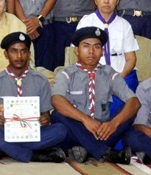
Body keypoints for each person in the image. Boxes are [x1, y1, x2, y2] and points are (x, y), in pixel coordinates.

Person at [0, 32, 68, 163]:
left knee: (60, 130)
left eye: (23, 51)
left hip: (32, 132)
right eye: (14, 51)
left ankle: (3, 149)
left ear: (29, 54)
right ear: (6, 54)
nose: (19, 56)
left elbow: (46, 114)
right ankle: (32, 155)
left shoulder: (41, 80)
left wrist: (45, 119)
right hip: (4, 131)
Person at [50, 27, 141, 163]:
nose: (91, 52)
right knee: (57, 116)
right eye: (86, 46)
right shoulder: (66, 74)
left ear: (102, 51)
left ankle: (87, 149)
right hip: (76, 130)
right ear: (77, 50)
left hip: (103, 132)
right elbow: (56, 99)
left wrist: (113, 124)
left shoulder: (109, 73)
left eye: (96, 47)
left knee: (128, 108)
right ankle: (106, 152)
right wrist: (85, 120)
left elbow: (134, 101)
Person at [78, 0, 139, 90]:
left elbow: (131, 59)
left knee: (128, 102)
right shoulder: (86, 22)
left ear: (117, 0)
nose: (106, 1)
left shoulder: (125, 25)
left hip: (121, 73)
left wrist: (119, 78)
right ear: (95, 0)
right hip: (92, 74)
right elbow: (78, 53)